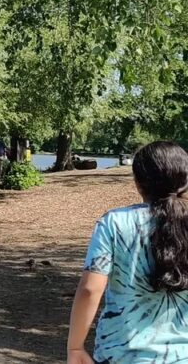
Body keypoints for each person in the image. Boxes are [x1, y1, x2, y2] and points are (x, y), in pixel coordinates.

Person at [68, 141, 188, 364]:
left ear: (138, 182)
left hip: (120, 355)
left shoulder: (114, 223)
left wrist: (75, 347)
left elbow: (90, 289)